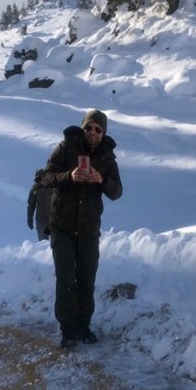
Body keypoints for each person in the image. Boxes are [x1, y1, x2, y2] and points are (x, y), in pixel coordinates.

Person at [39, 109, 122, 348]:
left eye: (98, 129)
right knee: (66, 278)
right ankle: (68, 329)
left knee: (87, 278)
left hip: (88, 228)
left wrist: (101, 180)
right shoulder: (66, 148)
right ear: (83, 128)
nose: (93, 133)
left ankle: (84, 326)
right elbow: (45, 177)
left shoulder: (107, 157)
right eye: (89, 128)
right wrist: (69, 176)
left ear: (103, 132)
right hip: (62, 226)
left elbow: (117, 192)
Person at [26, 168, 51, 242]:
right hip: (41, 220)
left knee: (56, 242)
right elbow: (31, 205)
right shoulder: (35, 189)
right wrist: (29, 219)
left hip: (53, 218)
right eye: (39, 180)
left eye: (42, 178)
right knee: (43, 242)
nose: (41, 181)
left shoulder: (53, 185)